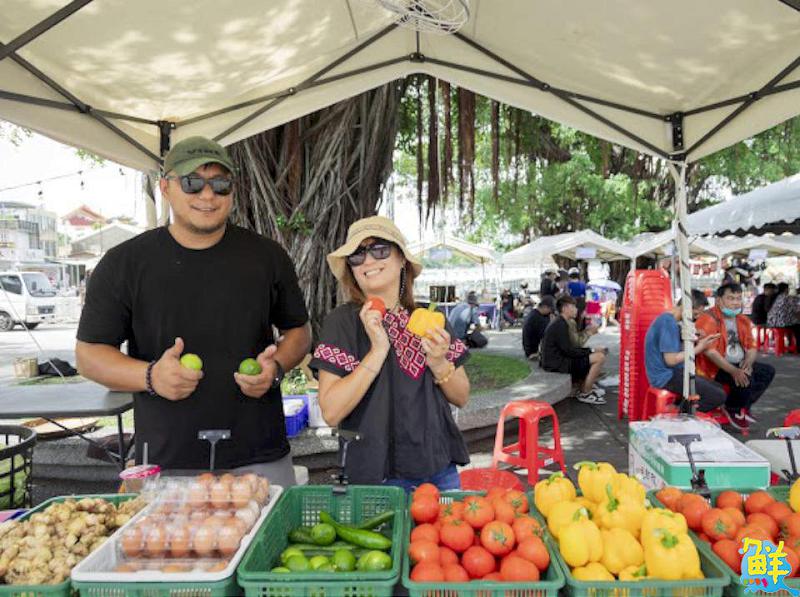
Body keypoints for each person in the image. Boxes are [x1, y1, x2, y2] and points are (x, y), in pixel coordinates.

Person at [75, 136, 311, 484]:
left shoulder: (267, 256)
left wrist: (274, 369)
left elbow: (299, 332)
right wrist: (151, 376)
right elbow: (89, 355)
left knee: (273, 537)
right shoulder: (123, 263)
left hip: (260, 452)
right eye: (192, 182)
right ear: (165, 187)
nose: (207, 195)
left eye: (220, 184)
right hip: (164, 459)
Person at [310, 216, 470, 491]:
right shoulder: (343, 322)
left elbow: (461, 396)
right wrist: (378, 350)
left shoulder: (430, 317)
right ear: (352, 269)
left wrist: (439, 362)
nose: (368, 261)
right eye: (357, 255)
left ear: (401, 260)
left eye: (380, 249)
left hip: (438, 468)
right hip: (376, 476)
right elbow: (331, 411)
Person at [696, 283, 776, 430]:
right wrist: (734, 371)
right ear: (719, 300)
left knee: (767, 371)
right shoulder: (708, 318)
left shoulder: (742, 320)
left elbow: (751, 347)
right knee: (745, 379)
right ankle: (733, 409)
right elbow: (710, 352)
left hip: (737, 362)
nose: (735, 303)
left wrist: (748, 363)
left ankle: (742, 406)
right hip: (714, 367)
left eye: (738, 298)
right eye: (730, 298)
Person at [644, 290, 725, 412]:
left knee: (718, 387)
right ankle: (679, 413)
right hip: (666, 377)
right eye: (696, 314)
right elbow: (671, 360)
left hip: (674, 373)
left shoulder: (671, 321)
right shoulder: (668, 323)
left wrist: (693, 338)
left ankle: (681, 407)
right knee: (717, 396)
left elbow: (677, 351)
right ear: (686, 308)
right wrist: (699, 348)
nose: (696, 318)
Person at [541, 295, 607, 404]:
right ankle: (585, 393)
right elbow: (569, 350)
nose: (576, 310)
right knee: (599, 357)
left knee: (595, 355)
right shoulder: (560, 324)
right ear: (565, 308)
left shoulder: (561, 322)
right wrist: (591, 351)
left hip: (558, 360)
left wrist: (590, 351)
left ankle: (584, 387)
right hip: (556, 363)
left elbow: (570, 348)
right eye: (573, 307)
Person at [522, 295, 554, 359]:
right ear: (545, 307)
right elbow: (547, 335)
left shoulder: (536, 314)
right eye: (550, 309)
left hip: (532, 349)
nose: (551, 312)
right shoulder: (537, 318)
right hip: (532, 351)